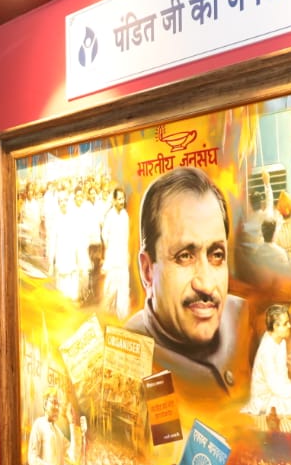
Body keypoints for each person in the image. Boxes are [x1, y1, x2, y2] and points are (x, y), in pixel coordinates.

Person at [125, 166, 245, 392]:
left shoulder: (249, 321)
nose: (207, 284)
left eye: (217, 255)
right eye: (185, 256)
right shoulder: (123, 361)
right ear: (148, 271)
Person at [243, 304, 291, 418]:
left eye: (288, 322)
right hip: (264, 400)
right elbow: (275, 387)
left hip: (277, 394)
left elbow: (284, 377)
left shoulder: (281, 342)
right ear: (275, 326)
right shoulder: (266, 349)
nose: (290, 325)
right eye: (285, 323)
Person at [100, 186, 132, 320]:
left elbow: (126, 237)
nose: (122, 201)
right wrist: (111, 249)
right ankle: (106, 314)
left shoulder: (125, 215)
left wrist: (126, 253)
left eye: (123, 199)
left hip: (123, 258)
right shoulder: (110, 216)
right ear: (113, 200)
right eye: (119, 199)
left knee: (124, 288)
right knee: (111, 289)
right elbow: (104, 234)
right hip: (113, 259)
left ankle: (122, 317)